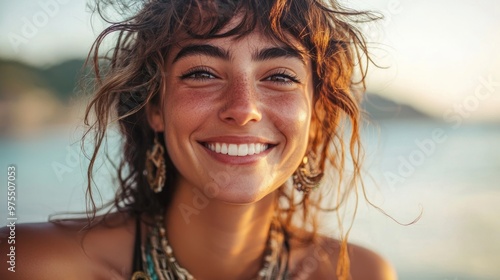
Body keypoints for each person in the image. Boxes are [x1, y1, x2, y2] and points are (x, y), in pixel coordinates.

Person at [1, 0, 397, 279]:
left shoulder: (359, 274)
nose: (243, 109)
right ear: (155, 107)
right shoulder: (26, 264)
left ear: (316, 116)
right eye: (203, 73)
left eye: (279, 76)